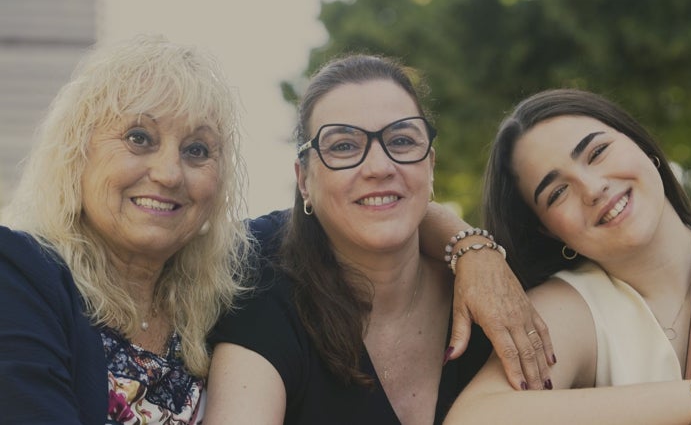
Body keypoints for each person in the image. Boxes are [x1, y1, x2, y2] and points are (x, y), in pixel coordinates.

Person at [204, 54, 554, 425]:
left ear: (430, 165)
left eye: (401, 140)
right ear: (304, 180)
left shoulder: (495, 300)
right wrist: (470, 247)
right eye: (343, 146)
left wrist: (474, 250)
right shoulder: (258, 269)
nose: (379, 167)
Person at [445, 89, 691, 424]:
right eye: (558, 192)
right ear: (549, 231)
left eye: (597, 152)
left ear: (641, 146)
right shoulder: (570, 307)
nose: (593, 188)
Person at [0, 35, 252, 424]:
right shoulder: (18, 277)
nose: (169, 174)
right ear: (77, 153)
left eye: (197, 150)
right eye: (139, 138)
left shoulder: (227, 304)